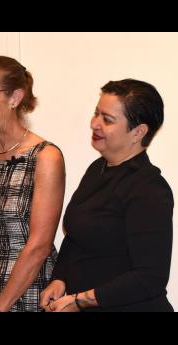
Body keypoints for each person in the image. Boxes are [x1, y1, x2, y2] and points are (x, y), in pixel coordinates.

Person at [40, 79, 174, 312]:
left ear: (138, 132)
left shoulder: (150, 189)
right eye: (96, 113)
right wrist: (59, 278)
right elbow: (77, 236)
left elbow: (149, 278)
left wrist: (80, 300)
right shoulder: (97, 168)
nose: (94, 124)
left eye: (107, 120)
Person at [0, 56, 65, 312]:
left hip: (31, 297)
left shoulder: (45, 156)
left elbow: (39, 246)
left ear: (15, 98)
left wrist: (1, 308)